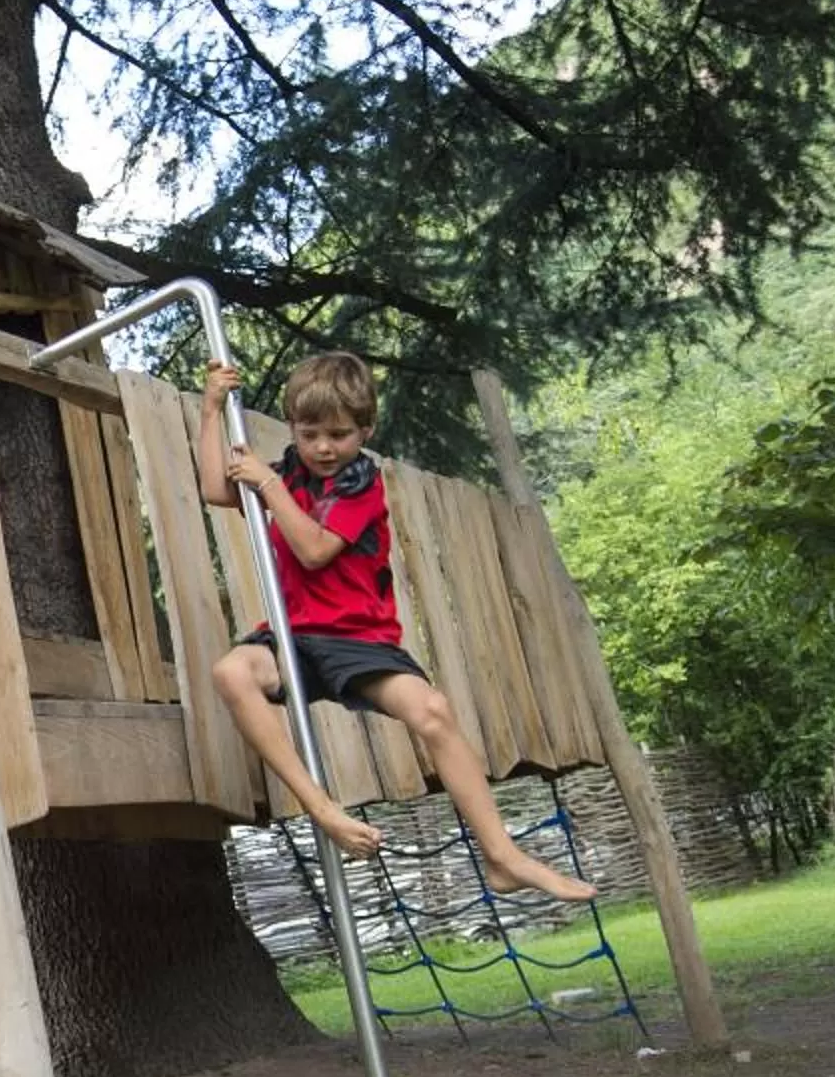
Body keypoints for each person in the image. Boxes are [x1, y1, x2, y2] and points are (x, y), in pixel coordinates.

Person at [200, 352, 595, 902]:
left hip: (358, 640)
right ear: (292, 428)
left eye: (339, 434)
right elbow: (216, 490)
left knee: (433, 712)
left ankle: (502, 857)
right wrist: (212, 410)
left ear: (365, 430)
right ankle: (322, 809)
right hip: (294, 636)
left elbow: (313, 550)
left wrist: (267, 484)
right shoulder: (288, 473)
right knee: (231, 673)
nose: (323, 448)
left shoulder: (360, 484)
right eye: (309, 434)